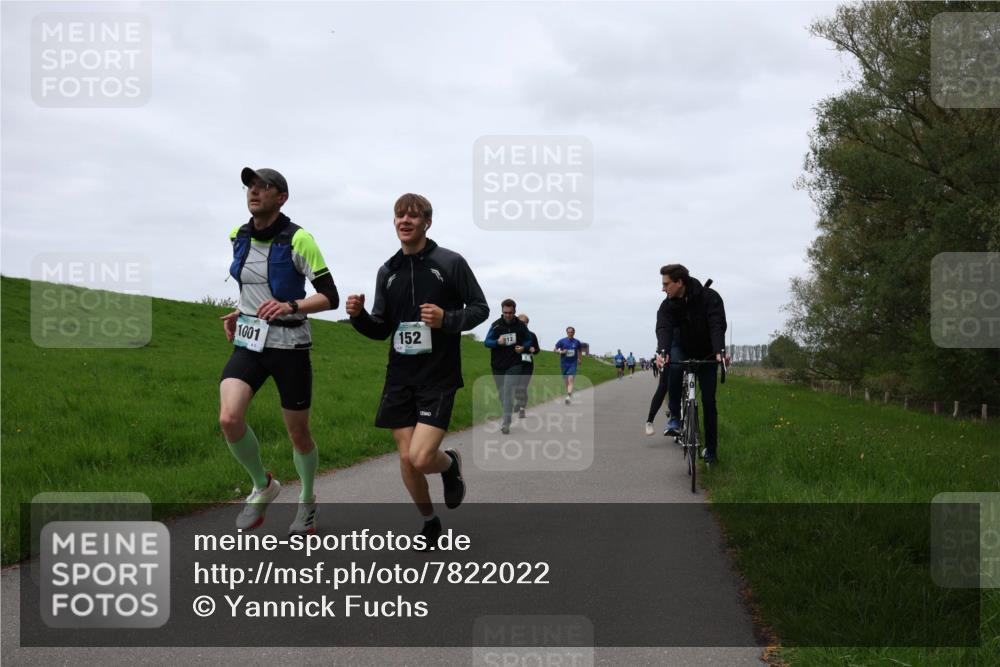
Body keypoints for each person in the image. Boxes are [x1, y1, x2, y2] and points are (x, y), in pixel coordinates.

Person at [345, 193, 489, 547]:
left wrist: (447, 319)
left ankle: (450, 464)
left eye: (413, 216)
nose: (405, 221)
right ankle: (429, 521)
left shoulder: (450, 262)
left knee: (422, 457)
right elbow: (381, 328)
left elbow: (481, 308)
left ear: (427, 222)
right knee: (407, 459)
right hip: (399, 377)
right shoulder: (387, 271)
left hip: (438, 375)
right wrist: (358, 317)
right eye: (399, 216)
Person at [219, 167, 339, 536]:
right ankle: (263, 484)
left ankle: (307, 502)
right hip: (251, 342)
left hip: (290, 346)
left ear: (281, 197)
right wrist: (243, 309)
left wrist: (292, 305)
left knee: (298, 435)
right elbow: (253, 283)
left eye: (264, 187)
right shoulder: (237, 235)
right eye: (250, 186)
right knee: (229, 418)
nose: (254, 192)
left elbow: (330, 297)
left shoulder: (299, 239)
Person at [650, 264, 727, 465]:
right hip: (680, 347)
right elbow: (664, 328)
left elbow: (716, 324)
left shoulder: (709, 297)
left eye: (666, 284)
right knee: (674, 366)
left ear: (679, 282)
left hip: (707, 351)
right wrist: (663, 352)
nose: (663, 289)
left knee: (709, 402)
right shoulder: (667, 305)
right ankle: (675, 416)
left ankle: (711, 452)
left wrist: (720, 351)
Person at [484, 299, 534, 434]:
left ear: (514, 311)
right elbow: (486, 342)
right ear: (502, 311)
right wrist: (497, 342)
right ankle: (508, 409)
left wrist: (523, 347)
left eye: (510, 313)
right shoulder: (496, 325)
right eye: (505, 312)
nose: (508, 315)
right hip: (497, 364)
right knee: (502, 394)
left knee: (508, 391)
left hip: (514, 364)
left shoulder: (521, 326)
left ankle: (506, 422)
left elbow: (529, 340)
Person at [513, 314, 539, 419]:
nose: (523, 324)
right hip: (514, 364)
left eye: (525, 322)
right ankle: (519, 402)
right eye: (520, 322)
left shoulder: (532, 335)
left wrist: (534, 350)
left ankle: (522, 408)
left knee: (522, 387)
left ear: (527, 323)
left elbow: (537, 350)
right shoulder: (513, 334)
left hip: (527, 365)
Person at [554, 327, 583, 403]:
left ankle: (568, 396)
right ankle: (569, 393)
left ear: (574, 333)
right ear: (566, 332)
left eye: (571, 332)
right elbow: (554, 350)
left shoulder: (577, 342)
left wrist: (580, 359)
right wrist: (561, 352)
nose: (570, 333)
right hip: (564, 364)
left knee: (570, 379)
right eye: (569, 332)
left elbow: (580, 351)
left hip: (573, 363)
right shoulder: (562, 341)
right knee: (566, 381)